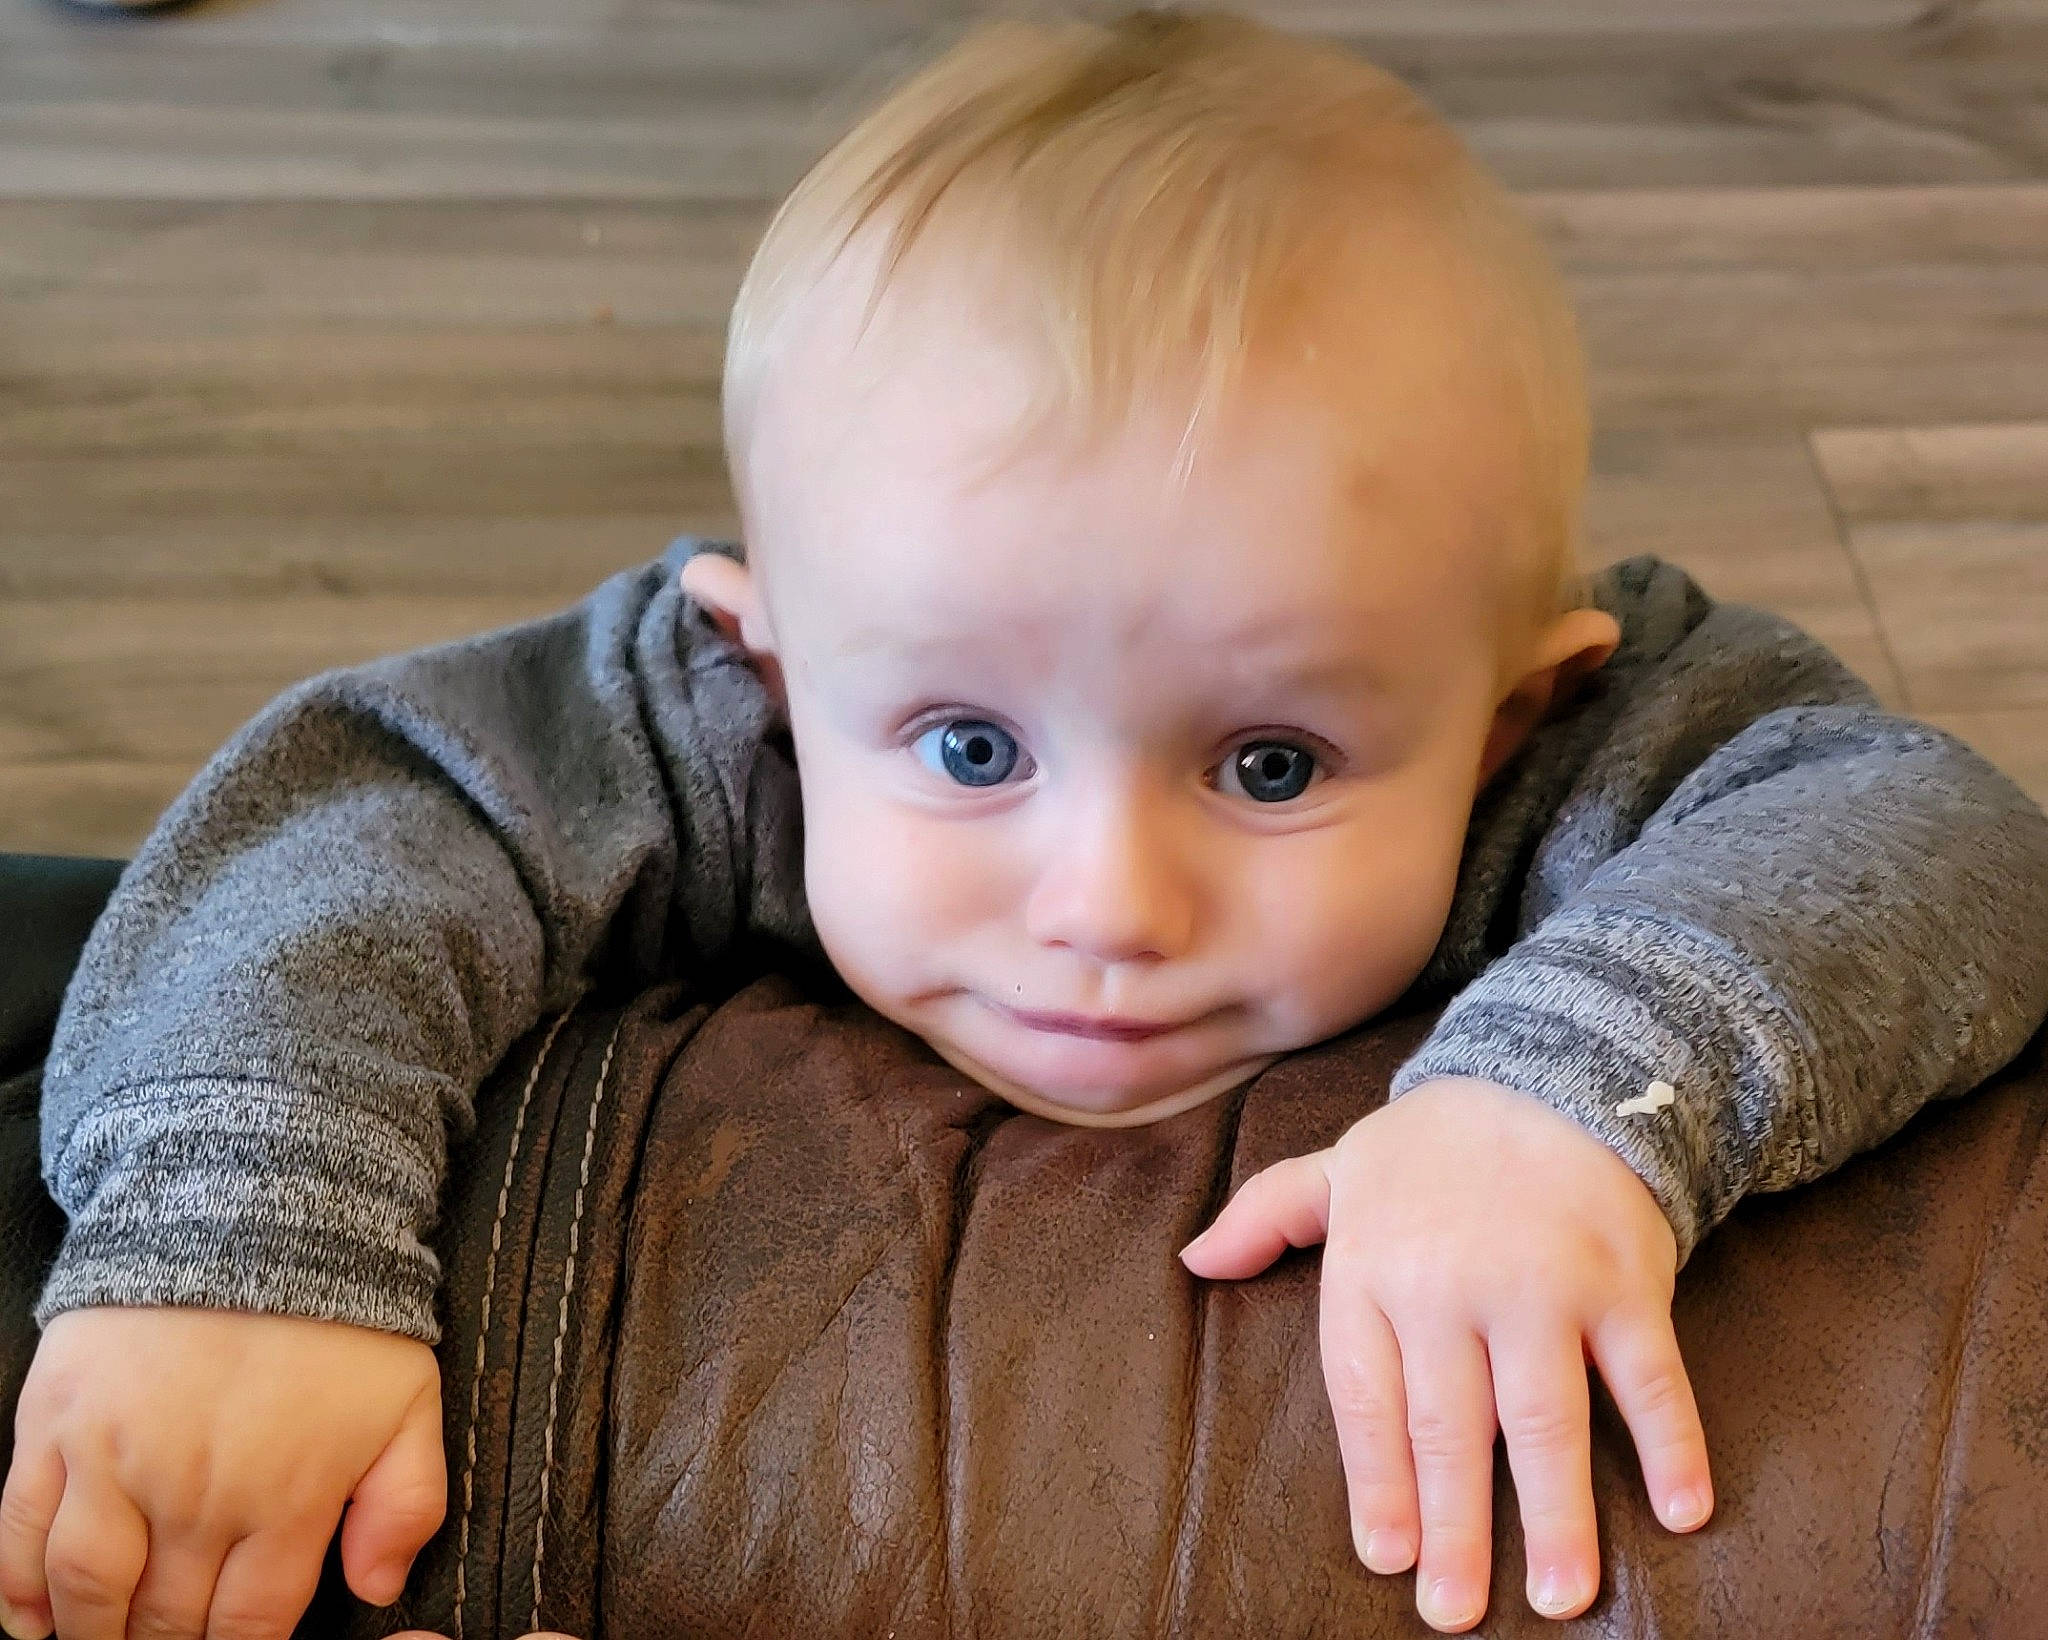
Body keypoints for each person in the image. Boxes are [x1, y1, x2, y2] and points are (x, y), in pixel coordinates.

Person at [6, 9, 2048, 1640]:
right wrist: (238, 1256)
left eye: (1267, 765)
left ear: (1517, 707)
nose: (1105, 907)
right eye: (972, 751)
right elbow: (359, 823)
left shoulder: (1566, 743)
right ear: (775, 672)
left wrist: (1570, 1099)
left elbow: (1922, 828)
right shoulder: (711, 715)